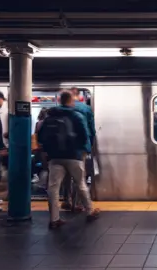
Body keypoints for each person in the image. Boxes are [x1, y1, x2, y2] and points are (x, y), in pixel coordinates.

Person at [38, 90, 100, 229]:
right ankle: (89, 211)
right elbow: (85, 135)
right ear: (71, 101)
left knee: (53, 188)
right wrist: (85, 150)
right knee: (80, 183)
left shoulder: (50, 116)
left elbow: (41, 137)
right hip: (74, 156)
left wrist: (49, 152)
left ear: (60, 101)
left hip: (55, 157)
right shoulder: (77, 115)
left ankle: (54, 219)